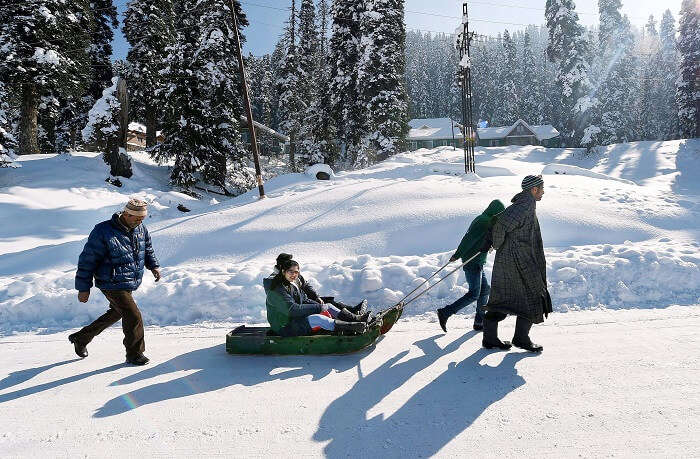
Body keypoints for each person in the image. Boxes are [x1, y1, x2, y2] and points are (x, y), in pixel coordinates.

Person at [68, 198, 161, 365]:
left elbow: (147, 248)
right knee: (133, 315)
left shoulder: (140, 228)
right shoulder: (103, 231)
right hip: (110, 280)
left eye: (143, 218)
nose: (141, 221)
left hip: (127, 280)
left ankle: (81, 338)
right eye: (137, 218)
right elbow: (87, 260)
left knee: (117, 312)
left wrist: (153, 266)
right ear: (126, 214)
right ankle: (134, 354)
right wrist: (83, 288)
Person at [482, 175, 552, 352]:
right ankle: (520, 338)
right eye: (541, 188)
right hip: (518, 260)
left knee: (506, 297)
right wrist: (496, 244)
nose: (543, 191)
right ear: (533, 189)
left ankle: (490, 338)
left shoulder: (526, 205)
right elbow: (500, 226)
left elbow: (503, 224)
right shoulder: (522, 207)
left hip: (515, 260)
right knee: (534, 295)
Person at [436, 199, 505, 332]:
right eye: (499, 214)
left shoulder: (486, 219)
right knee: (474, 293)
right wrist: (457, 254)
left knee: (485, 290)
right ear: (494, 212)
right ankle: (446, 312)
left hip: (478, 261)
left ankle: (480, 321)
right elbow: (468, 239)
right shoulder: (483, 221)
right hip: (472, 262)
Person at [264, 254, 369, 337]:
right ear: (282, 269)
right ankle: (351, 327)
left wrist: (317, 300)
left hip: (294, 318)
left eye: (295, 271)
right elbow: (292, 309)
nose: (294, 274)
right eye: (290, 270)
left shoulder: (292, 278)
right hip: (284, 326)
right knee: (318, 318)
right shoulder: (276, 288)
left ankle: (355, 319)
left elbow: (304, 287)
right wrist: (317, 308)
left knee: (328, 306)